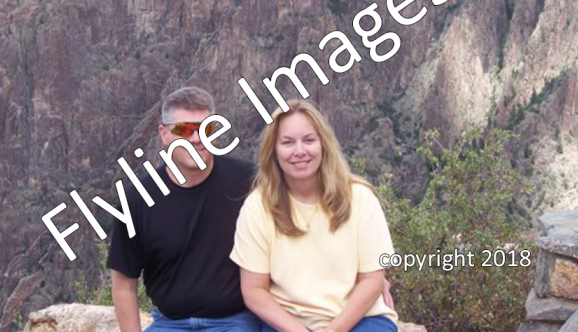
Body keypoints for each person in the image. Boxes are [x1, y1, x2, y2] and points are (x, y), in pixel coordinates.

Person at [107, 88, 394, 332]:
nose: (196, 139)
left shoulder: (252, 184)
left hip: (234, 320)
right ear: (164, 134)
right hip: (171, 322)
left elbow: (306, 191)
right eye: (184, 129)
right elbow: (123, 285)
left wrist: (372, 278)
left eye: (206, 129)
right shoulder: (135, 199)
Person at [230, 100, 398, 332]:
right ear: (274, 150)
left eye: (309, 140)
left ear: (323, 145)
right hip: (287, 323)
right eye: (288, 142)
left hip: (360, 320)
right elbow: (254, 291)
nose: (300, 151)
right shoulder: (258, 207)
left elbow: (372, 279)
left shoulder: (360, 198)